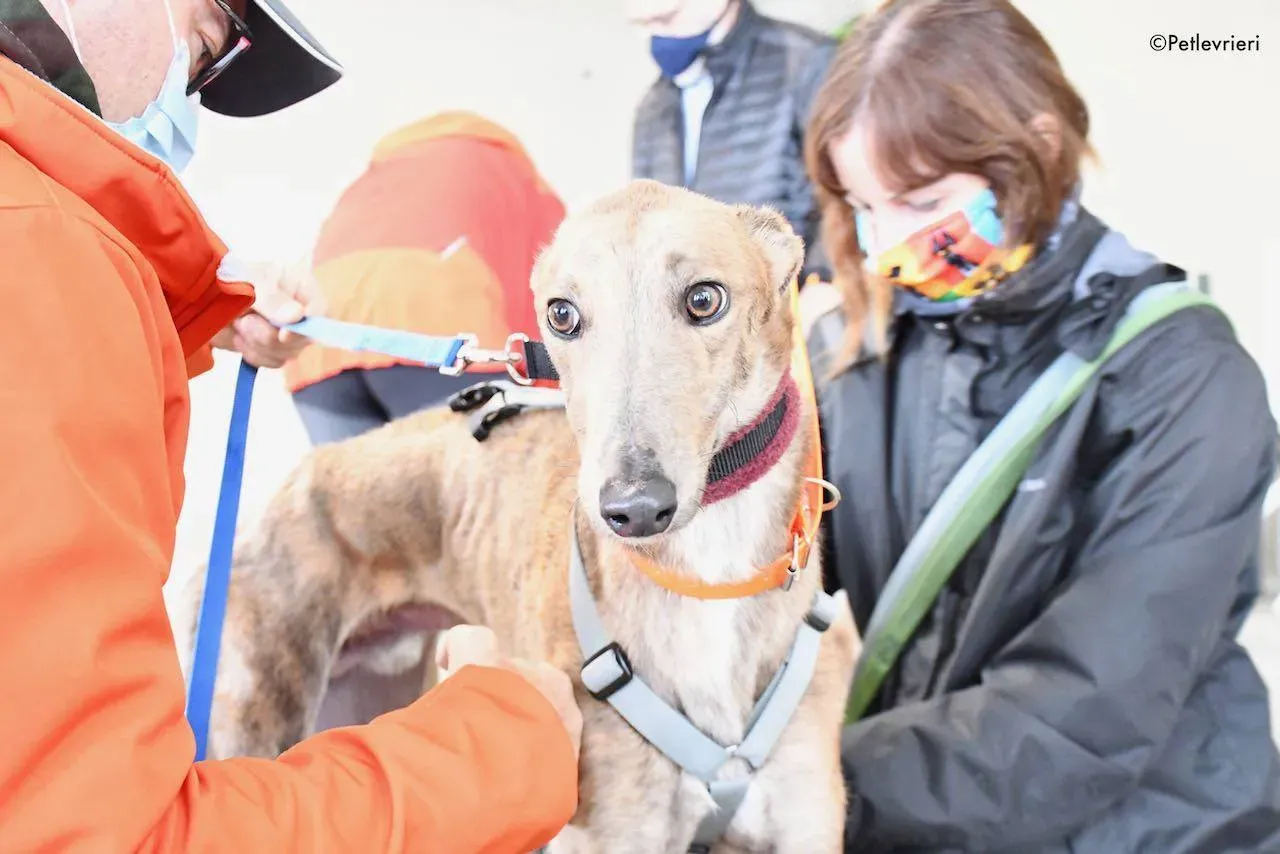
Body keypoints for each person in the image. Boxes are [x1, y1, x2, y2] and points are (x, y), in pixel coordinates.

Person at [0, 0, 580, 851]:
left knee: (369, 539)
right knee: (490, 532)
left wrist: (192, 309)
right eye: (206, 45)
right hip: (429, 332)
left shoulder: (40, 240)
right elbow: (107, 834)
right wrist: (507, 746)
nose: (185, 97)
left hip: (326, 358)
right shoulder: (38, 253)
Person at [802, 1, 1280, 851]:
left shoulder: (1183, 376)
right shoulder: (856, 349)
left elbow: (1086, 712)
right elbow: (783, 570)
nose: (886, 248)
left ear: (1037, 149)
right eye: (864, 207)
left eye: (923, 201)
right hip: (927, 817)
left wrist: (806, 786)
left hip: (1152, 831)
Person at [285, 110, 566, 445]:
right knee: (486, 476)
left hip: (319, 341)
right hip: (429, 324)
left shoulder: (380, 176)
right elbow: (557, 300)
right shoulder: (515, 175)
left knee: (352, 480)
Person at [628, 0, 836, 280]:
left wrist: (824, 280)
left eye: (668, 18)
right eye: (646, 25)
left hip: (797, 295)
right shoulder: (652, 110)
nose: (657, 34)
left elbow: (846, 200)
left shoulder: (806, 63)